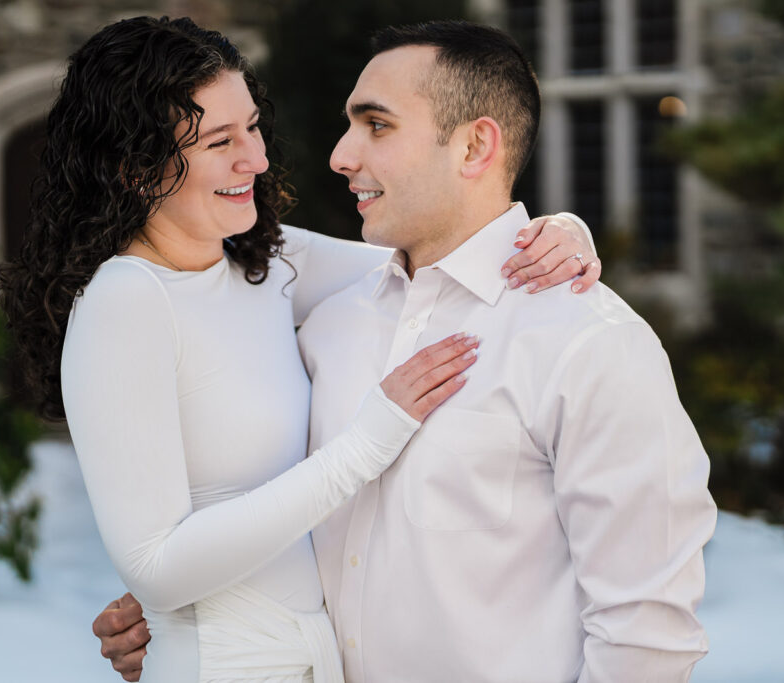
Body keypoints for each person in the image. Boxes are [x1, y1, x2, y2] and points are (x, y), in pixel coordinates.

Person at [96, 19, 717, 683]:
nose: (340, 155)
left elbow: (644, 638)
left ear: (476, 145)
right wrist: (186, 609)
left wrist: (567, 228)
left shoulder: (588, 343)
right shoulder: (329, 319)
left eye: (377, 125)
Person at [0, 16, 600, 683]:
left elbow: (445, 258)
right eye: (220, 141)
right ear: (137, 168)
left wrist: (555, 234)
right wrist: (367, 442)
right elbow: (158, 570)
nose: (253, 159)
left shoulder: (267, 262)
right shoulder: (126, 303)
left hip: (317, 660)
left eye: (252, 127)